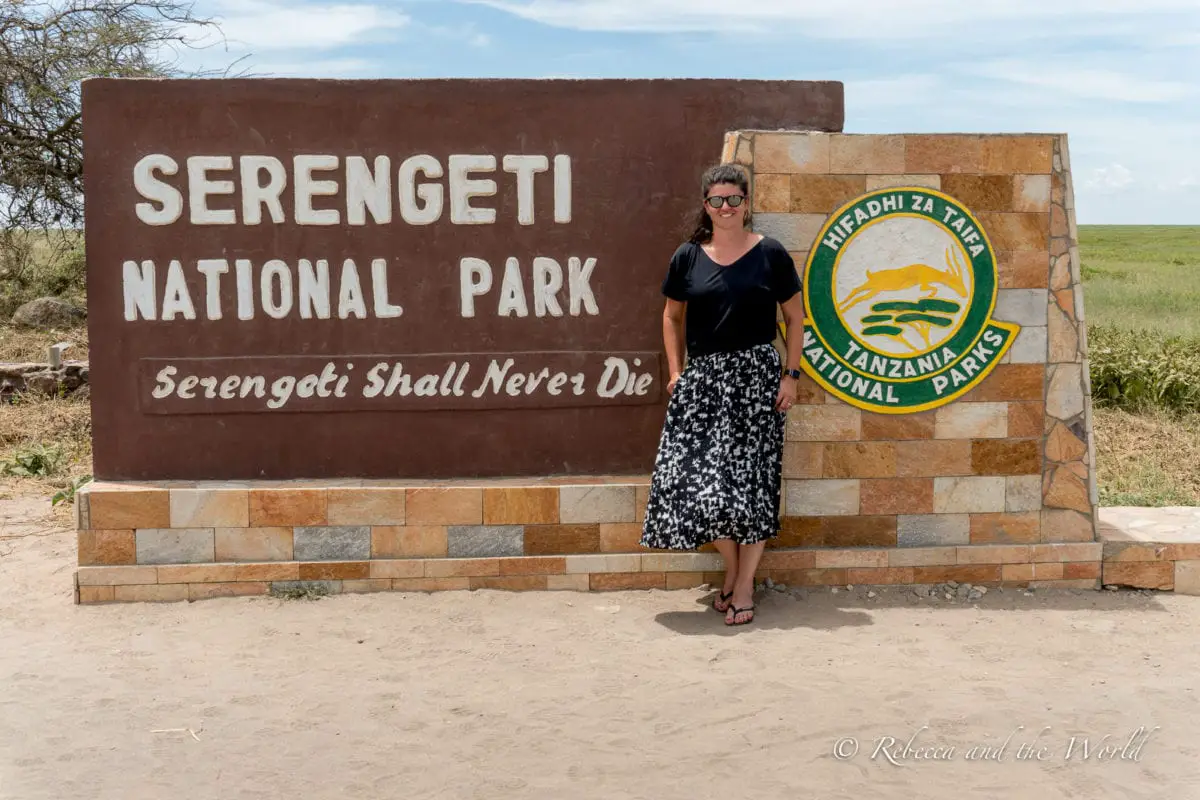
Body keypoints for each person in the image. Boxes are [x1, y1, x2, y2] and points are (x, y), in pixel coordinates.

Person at [640, 163, 806, 627]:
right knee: (694, 485)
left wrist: (790, 376)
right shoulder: (687, 257)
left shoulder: (770, 253)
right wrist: (677, 372)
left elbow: (795, 319)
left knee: (753, 487)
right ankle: (733, 570)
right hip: (705, 382)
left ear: (747, 204)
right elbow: (672, 317)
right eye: (717, 200)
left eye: (735, 199)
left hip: (757, 379)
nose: (726, 207)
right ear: (706, 205)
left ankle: (745, 585)